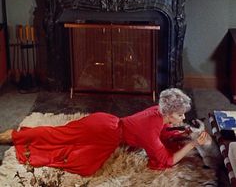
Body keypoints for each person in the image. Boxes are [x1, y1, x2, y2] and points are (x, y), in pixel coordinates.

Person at [0, 88, 208, 176]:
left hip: (104, 121)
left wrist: (181, 133)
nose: (182, 118)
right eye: (180, 115)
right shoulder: (150, 131)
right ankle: (15, 137)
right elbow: (165, 161)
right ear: (170, 114)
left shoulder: (156, 111)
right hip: (105, 135)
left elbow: (160, 132)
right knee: (76, 158)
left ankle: (16, 135)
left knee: (60, 134)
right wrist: (192, 144)